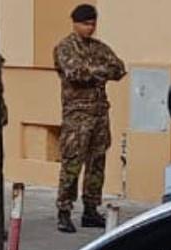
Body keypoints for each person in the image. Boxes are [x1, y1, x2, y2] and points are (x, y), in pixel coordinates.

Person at [53, 3, 125, 233]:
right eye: (86, 24)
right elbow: (75, 73)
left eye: (93, 24)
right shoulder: (65, 48)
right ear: (75, 23)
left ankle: (91, 209)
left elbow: (118, 69)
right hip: (77, 116)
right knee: (72, 164)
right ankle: (64, 210)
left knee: (97, 163)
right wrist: (98, 71)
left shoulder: (99, 47)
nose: (90, 28)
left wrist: (93, 70)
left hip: (99, 114)